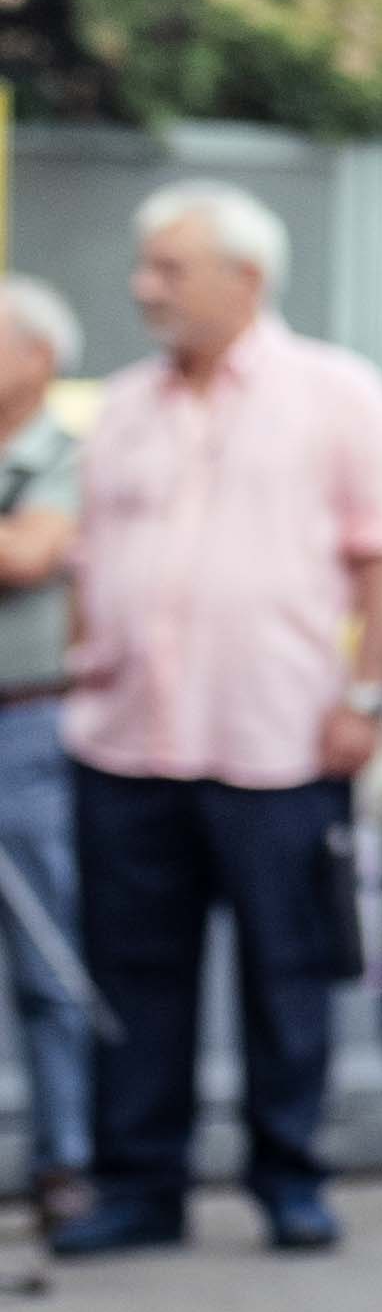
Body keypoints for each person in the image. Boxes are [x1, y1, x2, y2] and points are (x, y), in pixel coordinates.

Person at [53, 183, 382, 1261]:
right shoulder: (121, 404)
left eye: (169, 268)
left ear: (246, 278)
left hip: (282, 741)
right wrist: (85, 667)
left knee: (286, 972)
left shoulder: (337, 393)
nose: (143, 287)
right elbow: (89, 555)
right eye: (146, 265)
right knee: (133, 972)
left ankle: (290, 1176)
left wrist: (365, 699)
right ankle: (138, 1185)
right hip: (127, 741)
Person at [0, 277, 89, 1240]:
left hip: (23, 728)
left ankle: (66, 1157)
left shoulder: (68, 457)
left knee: (49, 959)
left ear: (36, 357)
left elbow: (29, 556)